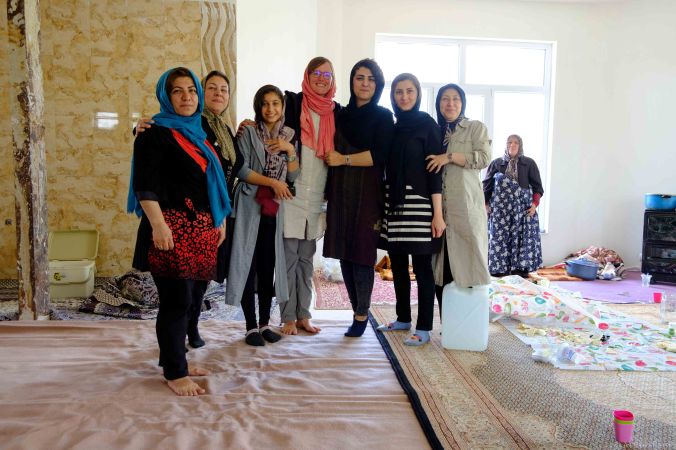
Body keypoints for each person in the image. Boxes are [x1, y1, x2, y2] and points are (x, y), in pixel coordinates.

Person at [127, 67, 231, 396]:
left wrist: (220, 220)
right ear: (166, 96)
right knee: (176, 301)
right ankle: (175, 373)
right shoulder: (153, 133)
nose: (186, 97)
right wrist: (159, 225)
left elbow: (210, 183)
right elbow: (145, 186)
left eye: (191, 90)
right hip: (170, 230)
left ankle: (176, 359)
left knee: (192, 300)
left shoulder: (199, 131)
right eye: (177, 90)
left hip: (202, 231)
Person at [324, 58, 394, 337]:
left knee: (363, 253)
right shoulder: (340, 114)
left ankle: (362, 314)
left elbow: (380, 155)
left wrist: (344, 159)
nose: (365, 83)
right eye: (359, 77)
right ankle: (356, 310)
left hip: (368, 192)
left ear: (378, 85)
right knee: (344, 250)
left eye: (371, 79)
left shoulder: (383, 116)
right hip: (341, 190)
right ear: (352, 81)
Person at [225, 85, 298, 346]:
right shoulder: (247, 132)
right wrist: (272, 183)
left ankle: (265, 323)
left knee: (268, 266)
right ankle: (249, 326)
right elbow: (242, 170)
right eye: (265, 103)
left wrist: (290, 150)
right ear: (258, 107)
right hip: (249, 205)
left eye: (275, 103)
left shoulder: (288, 135)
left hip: (273, 209)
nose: (270, 109)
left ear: (282, 106)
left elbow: (293, 176)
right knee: (248, 264)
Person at [376, 73, 445, 346]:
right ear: (393, 96)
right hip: (394, 202)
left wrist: (437, 214)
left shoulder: (428, 125)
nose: (404, 97)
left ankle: (424, 327)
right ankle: (403, 318)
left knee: (422, 267)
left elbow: (435, 173)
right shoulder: (393, 127)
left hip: (420, 204)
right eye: (399, 92)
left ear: (417, 94)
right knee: (398, 265)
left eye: (409, 91)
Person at [279, 57, 340, 335]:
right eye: (316, 72)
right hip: (291, 193)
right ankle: (287, 317)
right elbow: (267, 119)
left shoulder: (336, 112)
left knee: (306, 260)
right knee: (288, 259)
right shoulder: (292, 102)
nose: (321, 78)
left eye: (327, 74)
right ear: (307, 75)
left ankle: (304, 314)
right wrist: (247, 123)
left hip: (317, 197)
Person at [426, 83, 491, 310]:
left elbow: (483, 158)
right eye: (445, 98)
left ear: (462, 103)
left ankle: (469, 320)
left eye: (455, 99)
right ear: (438, 103)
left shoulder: (475, 128)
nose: (450, 103)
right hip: (438, 210)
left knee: (469, 267)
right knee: (440, 270)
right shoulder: (435, 131)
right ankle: (449, 322)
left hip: (465, 210)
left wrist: (449, 156)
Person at [483, 134, 544, 277]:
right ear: (506, 144)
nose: (513, 145)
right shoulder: (496, 163)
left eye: (516, 142)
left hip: (522, 210)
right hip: (500, 211)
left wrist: (534, 205)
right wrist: (485, 205)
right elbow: (486, 186)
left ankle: (519, 271)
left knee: (521, 241)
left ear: (520, 145)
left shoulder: (529, 163)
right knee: (499, 240)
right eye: (510, 142)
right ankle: (499, 270)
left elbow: (538, 188)